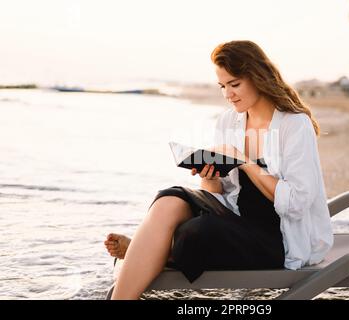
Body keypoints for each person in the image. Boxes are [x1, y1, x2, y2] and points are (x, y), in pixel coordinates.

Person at [104, 40, 333, 299]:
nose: (228, 94)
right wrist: (210, 177)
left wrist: (244, 161)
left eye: (234, 84)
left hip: (278, 239)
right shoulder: (229, 121)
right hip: (236, 222)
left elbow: (296, 203)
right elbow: (221, 194)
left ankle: (146, 251)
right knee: (169, 199)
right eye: (223, 86)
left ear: (258, 77)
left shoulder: (295, 125)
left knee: (197, 232)